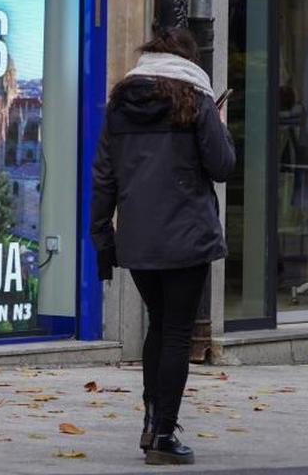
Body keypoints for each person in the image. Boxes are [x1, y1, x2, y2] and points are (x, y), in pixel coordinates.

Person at [91, 27, 235, 466]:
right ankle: (163, 434)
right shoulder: (197, 100)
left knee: (159, 325)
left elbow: (103, 176)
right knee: (176, 332)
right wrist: (221, 128)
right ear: (189, 60)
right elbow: (223, 165)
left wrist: (102, 235)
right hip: (186, 235)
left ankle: (151, 422)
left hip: (138, 238)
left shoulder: (120, 105)